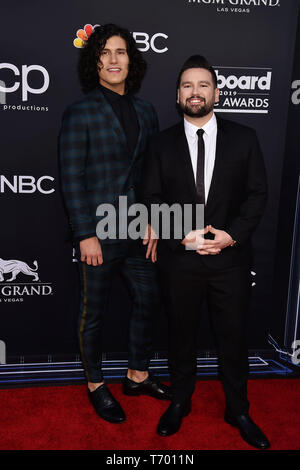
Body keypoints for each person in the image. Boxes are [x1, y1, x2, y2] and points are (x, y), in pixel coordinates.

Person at [141, 55, 270, 449]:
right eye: (186, 86)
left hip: (230, 261)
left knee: (232, 337)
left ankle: (238, 409)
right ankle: (180, 400)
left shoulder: (244, 138)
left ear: (216, 92)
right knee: (181, 336)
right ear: (177, 95)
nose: (194, 92)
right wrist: (182, 234)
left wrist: (231, 235)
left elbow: (256, 195)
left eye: (201, 85)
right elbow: (149, 197)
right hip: (180, 261)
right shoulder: (160, 143)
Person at [59, 23, 171, 424]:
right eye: (104, 52)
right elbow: (71, 177)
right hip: (98, 234)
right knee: (95, 311)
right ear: (95, 61)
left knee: (148, 298)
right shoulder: (80, 112)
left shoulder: (146, 110)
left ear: (131, 60)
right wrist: (84, 233)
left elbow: (151, 173)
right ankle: (95, 384)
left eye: (120, 52)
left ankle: (137, 374)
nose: (112, 59)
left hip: (137, 228)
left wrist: (153, 219)